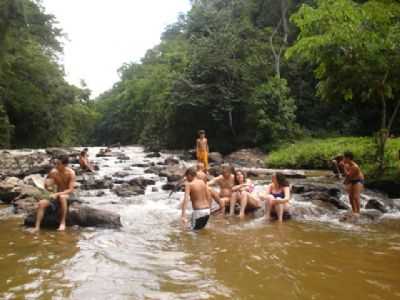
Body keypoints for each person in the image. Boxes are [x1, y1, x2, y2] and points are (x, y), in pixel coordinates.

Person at [33, 155, 76, 232]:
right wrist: (47, 186)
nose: (56, 165)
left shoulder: (71, 173)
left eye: (58, 164)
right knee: (41, 203)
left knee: (62, 197)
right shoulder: (53, 172)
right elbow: (47, 185)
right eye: (55, 163)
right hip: (56, 194)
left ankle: (63, 223)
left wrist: (56, 194)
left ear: (65, 164)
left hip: (68, 195)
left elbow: (70, 190)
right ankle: (37, 227)